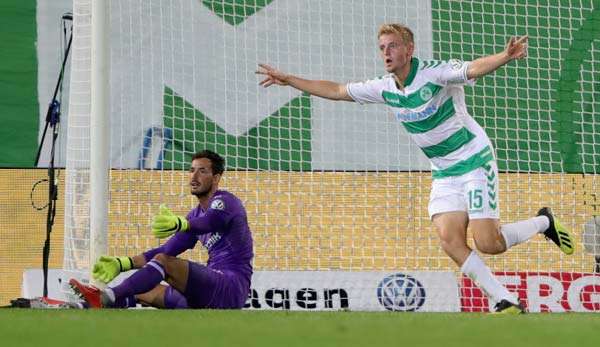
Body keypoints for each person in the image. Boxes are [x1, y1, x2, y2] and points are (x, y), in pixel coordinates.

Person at [256, 23, 574, 314]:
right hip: (444, 172)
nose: (386, 53)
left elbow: (472, 68)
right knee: (449, 239)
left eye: (392, 46)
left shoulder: (435, 73)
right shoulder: (385, 87)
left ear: (409, 49)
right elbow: (338, 91)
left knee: (489, 244)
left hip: (474, 160)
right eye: (382, 48)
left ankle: (544, 222)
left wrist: (504, 56)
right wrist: (290, 80)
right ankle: (503, 298)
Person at [69, 150, 254, 309]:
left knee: (163, 263)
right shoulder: (194, 215)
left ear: (216, 178)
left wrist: (182, 223)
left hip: (231, 286)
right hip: (208, 295)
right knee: (143, 289)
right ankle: (89, 305)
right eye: (191, 170)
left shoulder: (226, 202)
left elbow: (212, 221)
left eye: (202, 171)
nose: (194, 176)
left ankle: (105, 296)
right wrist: (123, 263)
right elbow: (167, 249)